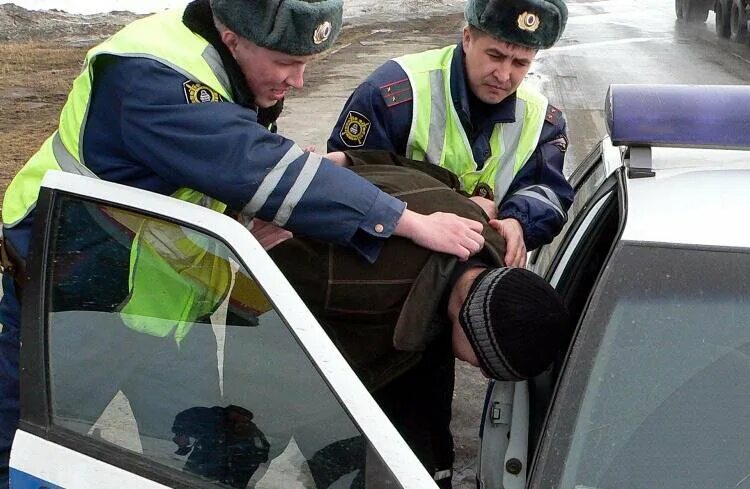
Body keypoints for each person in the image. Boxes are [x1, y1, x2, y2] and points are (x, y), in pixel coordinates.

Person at [0, 0, 485, 484]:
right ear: (233, 37)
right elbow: (253, 164)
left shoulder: (228, 66)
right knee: (24, 445)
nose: (298, 81)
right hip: (69, 300)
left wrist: (239, 221)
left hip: (163, 310)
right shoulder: (150, 73)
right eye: (286, 63)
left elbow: (196, 175)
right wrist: (402, 219)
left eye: (305, 64)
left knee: (216, 451)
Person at [225, 151, 571, 488]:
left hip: (392, 356)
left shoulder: (478, 228)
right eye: (483, 362)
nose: (479, 372)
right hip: (319, 381)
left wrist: (348, 160)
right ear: (470, 323)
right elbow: (258, 315)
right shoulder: (349, 280)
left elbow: (429, 174)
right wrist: (252, 415)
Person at [328, 0, 574, 268]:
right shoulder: (392, 95)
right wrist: (462, 209)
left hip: (481, 276)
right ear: (467, 39)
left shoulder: (542, 121)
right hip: (391, 272)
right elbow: (347, 191)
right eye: (495, 56)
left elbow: (549, 192)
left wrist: (517, 221)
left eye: (520, 63)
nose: (504, 75)